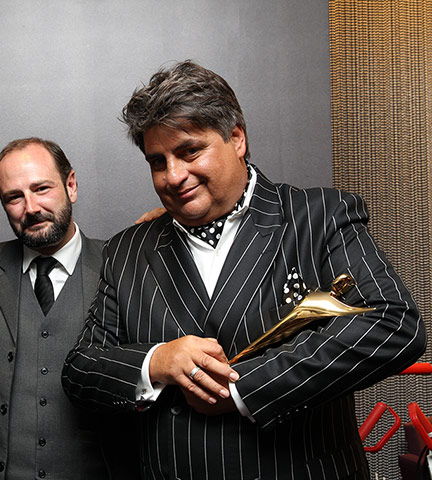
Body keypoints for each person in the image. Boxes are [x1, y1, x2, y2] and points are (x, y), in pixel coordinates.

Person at [62, 60, 425, 479]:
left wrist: (241, 389)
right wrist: (157, 360)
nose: (173, 176)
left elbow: (396, 325)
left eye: (189, 151)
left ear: (236, 138)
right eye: (157, 162)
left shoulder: (319, 216)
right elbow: (81, 370)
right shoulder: (127, 249)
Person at [0, 138, 138, 480]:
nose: (31, 207)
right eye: (14, 197)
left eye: (41, 188)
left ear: (71, 185)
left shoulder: (122, 266)